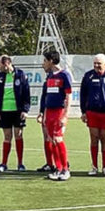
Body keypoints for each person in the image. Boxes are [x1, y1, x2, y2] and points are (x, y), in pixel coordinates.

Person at [79, 53, 105, 176]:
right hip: (92, 112)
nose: (97, 66)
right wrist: (83, 112)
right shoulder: (88, 76)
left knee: (104, 138)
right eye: (95, 63)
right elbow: (83, 95)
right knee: (94, 138)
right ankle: (94, 166)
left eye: (99, 63)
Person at [36, 51, 72, 181]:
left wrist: (65, 115)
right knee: (52, 140)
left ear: (51, 60)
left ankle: (65, 169)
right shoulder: (50, 77)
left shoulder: (64, 75)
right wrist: (44, 114)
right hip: (49, 113)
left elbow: (68, 96)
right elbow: (47, 97)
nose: (43, 64)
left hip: (59, 112)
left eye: (45, 61)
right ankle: (58, 168)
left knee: (58, 139)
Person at [0, 55, 30, 172]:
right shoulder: (0, 77)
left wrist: (25, 110)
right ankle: (3, 163)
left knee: (18, 135)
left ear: (6, 64)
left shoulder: (20, 74)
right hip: (4, 111)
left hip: (17, 111)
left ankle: (20, 164)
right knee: (7, 137)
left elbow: (26, 93)